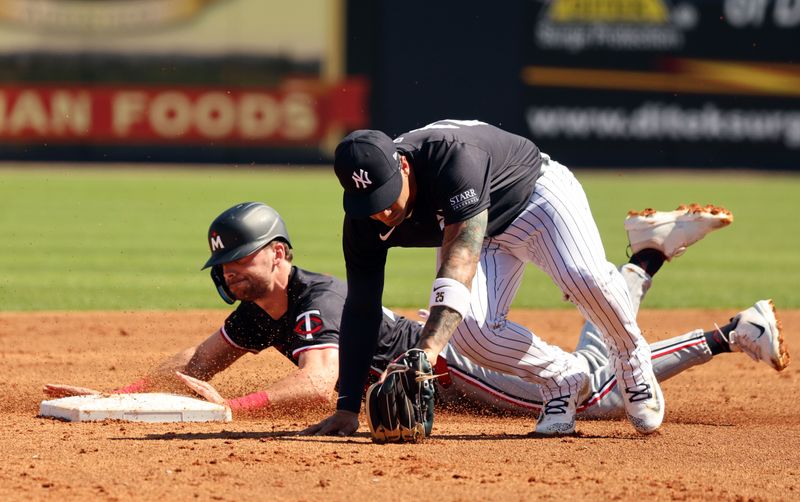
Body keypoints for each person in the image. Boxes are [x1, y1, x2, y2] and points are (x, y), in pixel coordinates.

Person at [43, 201, 790, 426]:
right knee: (596, 372)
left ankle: (732, 331)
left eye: (240, 261)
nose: (230, 274)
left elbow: (317, 386)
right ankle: (647, 255)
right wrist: (120, 396)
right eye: (223, 268)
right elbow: (195, 365)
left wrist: (231, 408)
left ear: (279, 254)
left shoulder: (314, 300)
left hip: (452, 363)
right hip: (449, 366)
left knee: (595, 394)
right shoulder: (258, 310)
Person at [309, 119, 736, 436]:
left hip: (536, 196)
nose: (382, 211)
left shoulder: (451, 157)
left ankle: (630, 356)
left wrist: (427, 348)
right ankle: (563, 382)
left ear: (403, 166)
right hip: (481, 230)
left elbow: (461, 255)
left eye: (385, 195)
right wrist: (347, 406)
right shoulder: (363, 220)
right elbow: (362, 306)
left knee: (582, 275)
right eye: (367, 202)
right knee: (472, 333)